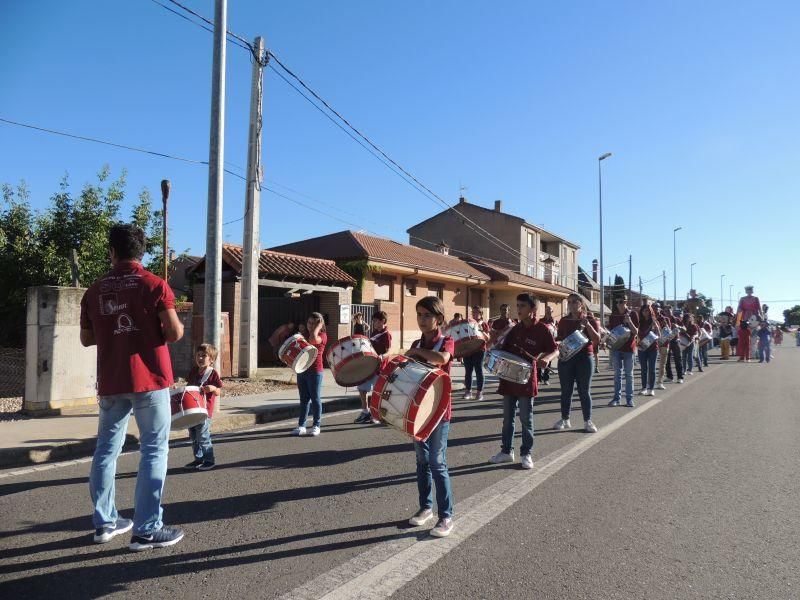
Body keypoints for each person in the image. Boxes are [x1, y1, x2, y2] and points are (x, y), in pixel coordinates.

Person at [80, 223, 185, 551]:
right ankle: (147, 529)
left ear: (111, 252)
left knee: (105, 450)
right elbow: (175, 333)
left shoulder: (94, 290)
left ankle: (105, 523)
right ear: (142, 252)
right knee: (153, 449)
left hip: (111, 381)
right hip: (149, 379)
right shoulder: (154, 285)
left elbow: (86, 339)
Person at [489, 293, 558, 469]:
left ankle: (526, 453)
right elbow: (503, 351)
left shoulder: (542, 329)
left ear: (533, 309)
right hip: (508, 378)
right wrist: (494, 345)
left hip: (526, 380)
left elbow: (554, 350)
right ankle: (506, 452)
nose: (518, 309)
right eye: (517, 305)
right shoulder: (514, 328)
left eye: (522, 306)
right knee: (507, 419)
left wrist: (547, 358)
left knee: (526, 419)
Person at [405, 296, 455, 538]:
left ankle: (446, 516)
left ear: (439, 319)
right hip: (418, 412)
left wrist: (415, 352)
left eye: (427, 315)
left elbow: (442, 359)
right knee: (421, 461)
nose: (422, 320)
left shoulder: (447, 341)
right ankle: (426, 508)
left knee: (437, 462)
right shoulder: (416, 342)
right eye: (419, 315)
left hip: (439, 413)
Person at [554, 294, 601, 433]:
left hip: (584, 358)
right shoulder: (563, 320)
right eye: (569, 302)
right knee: (566, 391)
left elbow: (597, 339)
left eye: (575, 302)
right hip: (566, 359)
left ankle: (588, 421)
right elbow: (560, 339)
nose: (571, 304)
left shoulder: (589, 319)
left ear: (581, 303)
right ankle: (565, 419)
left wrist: (588, 326)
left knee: (584, 391)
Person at [182, 343, 223, 470]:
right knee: (194, 436)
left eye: (204, 356)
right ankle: (198, 459)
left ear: (211, 359)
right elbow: (189, 386)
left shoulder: (212, 373)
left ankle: (209, 460)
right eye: (198, 355)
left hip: (204, 411)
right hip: (192, 410)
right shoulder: (194, 371)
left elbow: (219, 391)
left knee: (203, 436)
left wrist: (212, 388)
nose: (200, 358)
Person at [292, 313, 328, 436]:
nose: (310, 325)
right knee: (304, 400)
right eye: (309, 322)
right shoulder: (304, 336)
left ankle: (316, 425)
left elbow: (313, 339)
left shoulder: (322, 335)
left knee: (315, 398)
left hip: (315, 371)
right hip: (302, 370)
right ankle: (301, 426)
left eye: (314, 323)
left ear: (319, 324)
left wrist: (318, 327)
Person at [354, 311, 392, 424]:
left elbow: (389, 351)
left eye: (376, 320)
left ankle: (376, 414)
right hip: (369, 367)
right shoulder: (374, 332)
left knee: (377, 393)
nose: (374, 322)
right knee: (362, 389)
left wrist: (381, 356)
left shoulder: (386, 335)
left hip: (379, 368)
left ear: (382, 321)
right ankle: (365, 412)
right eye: (373, 320)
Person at [607, 295, 640, 407]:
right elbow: (610, 333)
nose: (620, 304)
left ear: (626, 302)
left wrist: (629, 321)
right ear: (616, 304)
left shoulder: (633, 314)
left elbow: (636, 332)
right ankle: (616, 399)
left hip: (629, 348)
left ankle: (629, 399)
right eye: (618, 302)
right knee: (617, 374)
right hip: (616, 349)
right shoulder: (613, 316)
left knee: (629, 375)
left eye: (622, 301)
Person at [463, 305, 490, 401]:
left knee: (479, 371)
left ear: (481, 314)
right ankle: (468, 391)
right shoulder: (468, 323)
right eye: (473, 312)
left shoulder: (484, 324)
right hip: (468, 350)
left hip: (479, 350)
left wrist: (482, 332)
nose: (474, 314)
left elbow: (488, 338)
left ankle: (479, 392)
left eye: (477, 312)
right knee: (468, 372)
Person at [636, 302, 661, 397]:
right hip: (642, 348)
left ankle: (651, 389)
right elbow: (636, 333)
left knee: (652, 369)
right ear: (641, 312)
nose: (645, 312)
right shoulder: (639, 322)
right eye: (644, 310)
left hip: (653, 348)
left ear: (650, 312)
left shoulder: (654, 321)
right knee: (643, 369)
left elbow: (659, 335)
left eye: (647, 310)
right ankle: (644, 388)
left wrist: (656, 327)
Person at [662, 306, 685, 385]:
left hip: (675, 341)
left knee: (677, 359)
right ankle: (669, 377)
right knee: (666, 360)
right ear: (664, 312)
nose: (667, 312)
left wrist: (678, 326)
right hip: (666, 341)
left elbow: (684, 328)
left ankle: (680, 377)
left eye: (669, 310)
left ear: (671, 311)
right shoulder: (663, 319)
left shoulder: (676, 319)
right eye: (666, 311)